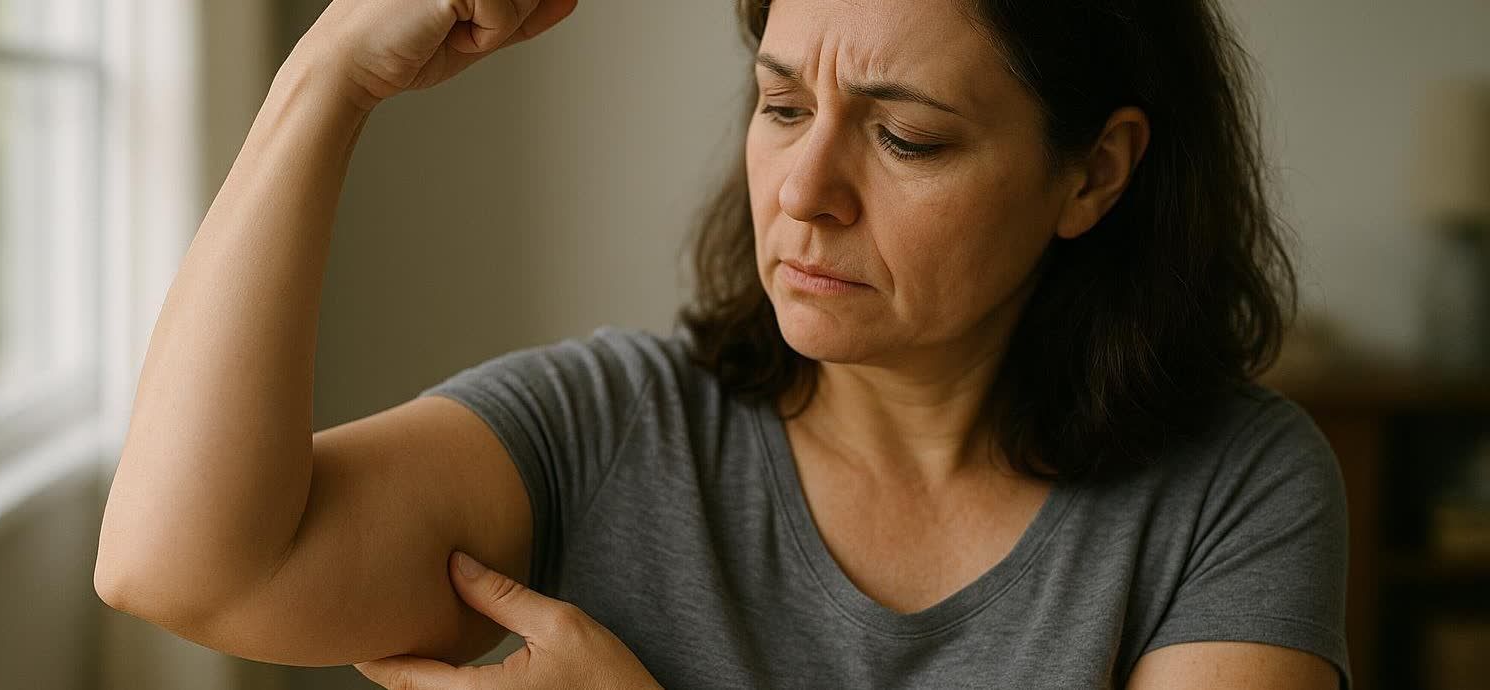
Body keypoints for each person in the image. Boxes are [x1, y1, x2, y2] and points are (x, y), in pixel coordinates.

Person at [95, 0, 1350, 687]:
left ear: (1094, 174)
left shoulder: (1234, 490)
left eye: (905, 137)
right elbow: (184, 569)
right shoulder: (608, 428)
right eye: (781, 103)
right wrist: (328, 76)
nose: (804, 190)